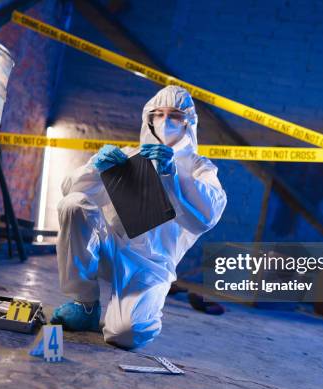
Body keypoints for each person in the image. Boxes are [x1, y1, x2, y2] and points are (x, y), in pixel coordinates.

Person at [50, 85, 227, 349]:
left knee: (127, 334)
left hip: (150, 265)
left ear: (188, 123)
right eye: (158, 114)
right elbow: (70, 190)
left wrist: (174, 176)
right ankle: (85, 304)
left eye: (175, 115)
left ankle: (117, 310)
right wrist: (94, 167)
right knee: (73, 205)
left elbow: (207, 215)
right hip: (111, 246)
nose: (165, 121)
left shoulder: (200, 168)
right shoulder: (130, 155)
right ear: (149, 118)